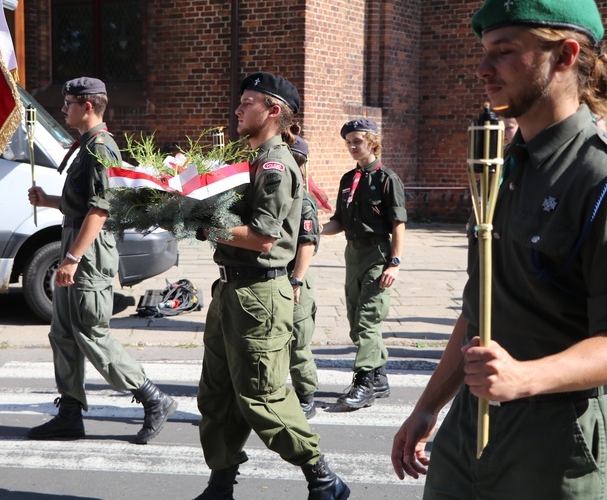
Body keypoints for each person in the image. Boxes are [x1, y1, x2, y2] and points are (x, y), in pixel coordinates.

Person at [391, 1, 607, 498]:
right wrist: (429, 404)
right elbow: (481, 305)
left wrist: (525, 377)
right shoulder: (501, 168)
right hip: (468, 431)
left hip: (555, 442)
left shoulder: (596, 178)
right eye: (484, 51)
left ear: (565, 55)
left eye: (505, 52)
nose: (483, 68)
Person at [194, 72, 350, 500]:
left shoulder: (275, 164)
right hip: (230, 292)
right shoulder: (250, 159)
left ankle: (323, 478)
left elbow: (263, 236)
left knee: (261, 398)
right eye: (240, 101)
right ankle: (220, 483)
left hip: (259, 296)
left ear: (273, 110)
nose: (238, 109)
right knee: (216, 395)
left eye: (248, 102)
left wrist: (208, 230)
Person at [26, 77, 177, 444]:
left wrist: (73, 258)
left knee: (90, 333)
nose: (63, 108)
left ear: (88, 106)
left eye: (68, 102)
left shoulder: (101, 147)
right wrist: (47, 200)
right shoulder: (87, 146)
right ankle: (70, 414)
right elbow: (81, 202)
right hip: (74, 240)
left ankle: (153, 397)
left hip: (88, 252)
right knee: (63, 334)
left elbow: (101, 208)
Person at [321, 118, 406, 411]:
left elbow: (398, 223)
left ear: (372, 142)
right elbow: (338, 222)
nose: (352, 146)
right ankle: (379, 377)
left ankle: (365, 382)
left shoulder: (386, 179)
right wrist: (312, 231)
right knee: (354, 318)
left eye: (357, 141)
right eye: (349, 142)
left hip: (378, 253)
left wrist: (394, 262)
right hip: (353, 254)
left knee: (368, 318)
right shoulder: (348, 180)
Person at [288, 135, 321, 419]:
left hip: (295, 278)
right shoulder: (286, 191)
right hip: (279, 276)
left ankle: (306, 395)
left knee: (298, 341)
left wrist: (296, 280)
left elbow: (307, 243)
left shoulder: (304, 200)